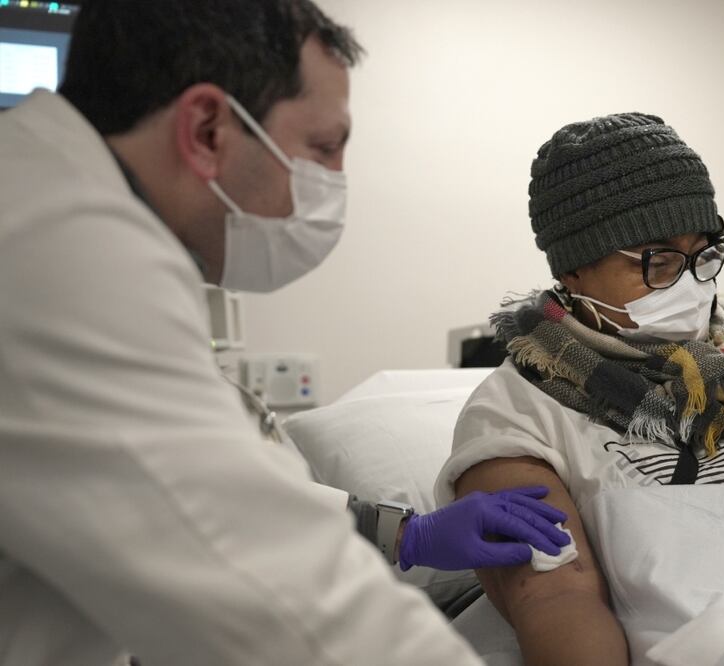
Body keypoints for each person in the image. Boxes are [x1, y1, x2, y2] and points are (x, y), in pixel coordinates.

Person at [0, 1, 568, 663]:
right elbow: (261, 574)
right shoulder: (57, 250)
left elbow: (204, 493)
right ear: (208, 128)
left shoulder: (44, 199)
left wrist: (404, 534)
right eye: (323, 148)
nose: (330, 183)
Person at [432, 112, 724, 665]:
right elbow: (557, 597)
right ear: (572, 270)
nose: (693, 283)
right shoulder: (518, 416)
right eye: (659, 260)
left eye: (705, 253)